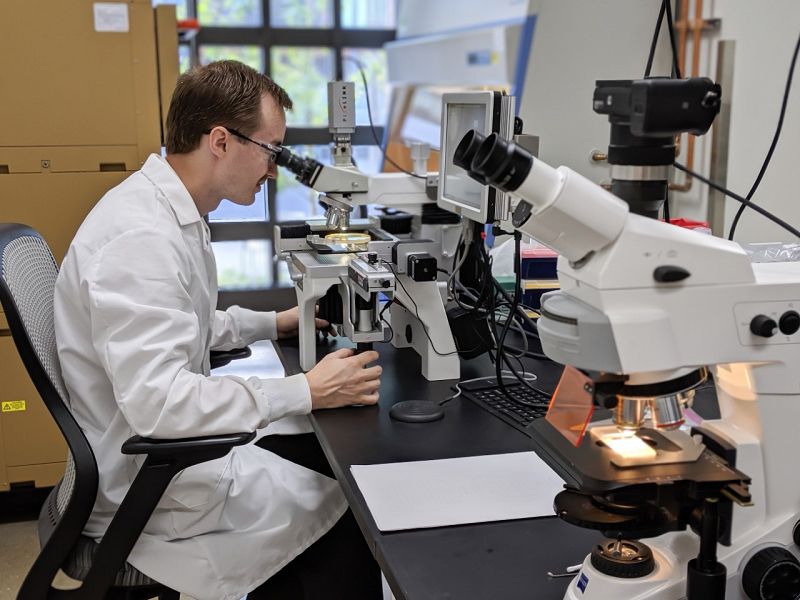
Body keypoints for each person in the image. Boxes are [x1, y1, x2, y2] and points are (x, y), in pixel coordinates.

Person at [54, 60, 383, 600]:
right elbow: (161, 405)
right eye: (271, 151)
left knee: (317, 455)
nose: (274, 169)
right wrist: (307, 389)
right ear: (221, 141)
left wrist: (267, 323)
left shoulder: (163, 211)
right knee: (348, 513)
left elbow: (187, 325)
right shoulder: (141, 239)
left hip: (156, 457)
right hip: (149, 487)